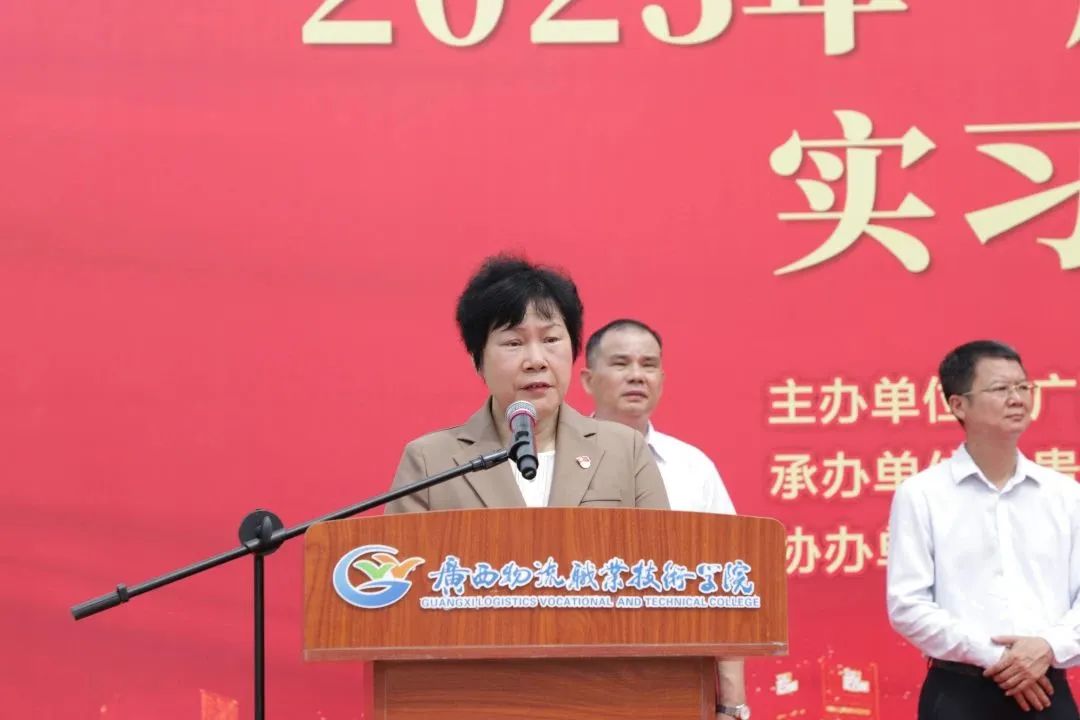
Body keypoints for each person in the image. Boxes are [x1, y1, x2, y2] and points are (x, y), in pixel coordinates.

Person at [385, 255, 669, 513]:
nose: (536, 360)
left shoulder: (625, 450)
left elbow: (661, 550)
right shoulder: (430, 461)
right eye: (513, 342)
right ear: (478, 359)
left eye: (550, 340)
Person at [886, 340, 1080, 719]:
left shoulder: (1065, 495)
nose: (1017, 399)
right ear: (958, 405)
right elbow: (907, 605)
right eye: (1000, 389)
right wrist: (996, 657)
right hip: (961, 692)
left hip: (1046, 688)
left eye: (1023, 387)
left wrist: (1048, 645)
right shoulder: (922, 494)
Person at [579, 318, 748, 720]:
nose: (637, 375)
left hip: (676, 676)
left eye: (649, 364)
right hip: (575, 674)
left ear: (662, 379)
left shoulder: (692, 467)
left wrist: (732, 702)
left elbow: (729, 583)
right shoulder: (550, 460)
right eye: (621, 363)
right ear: (587, 380)